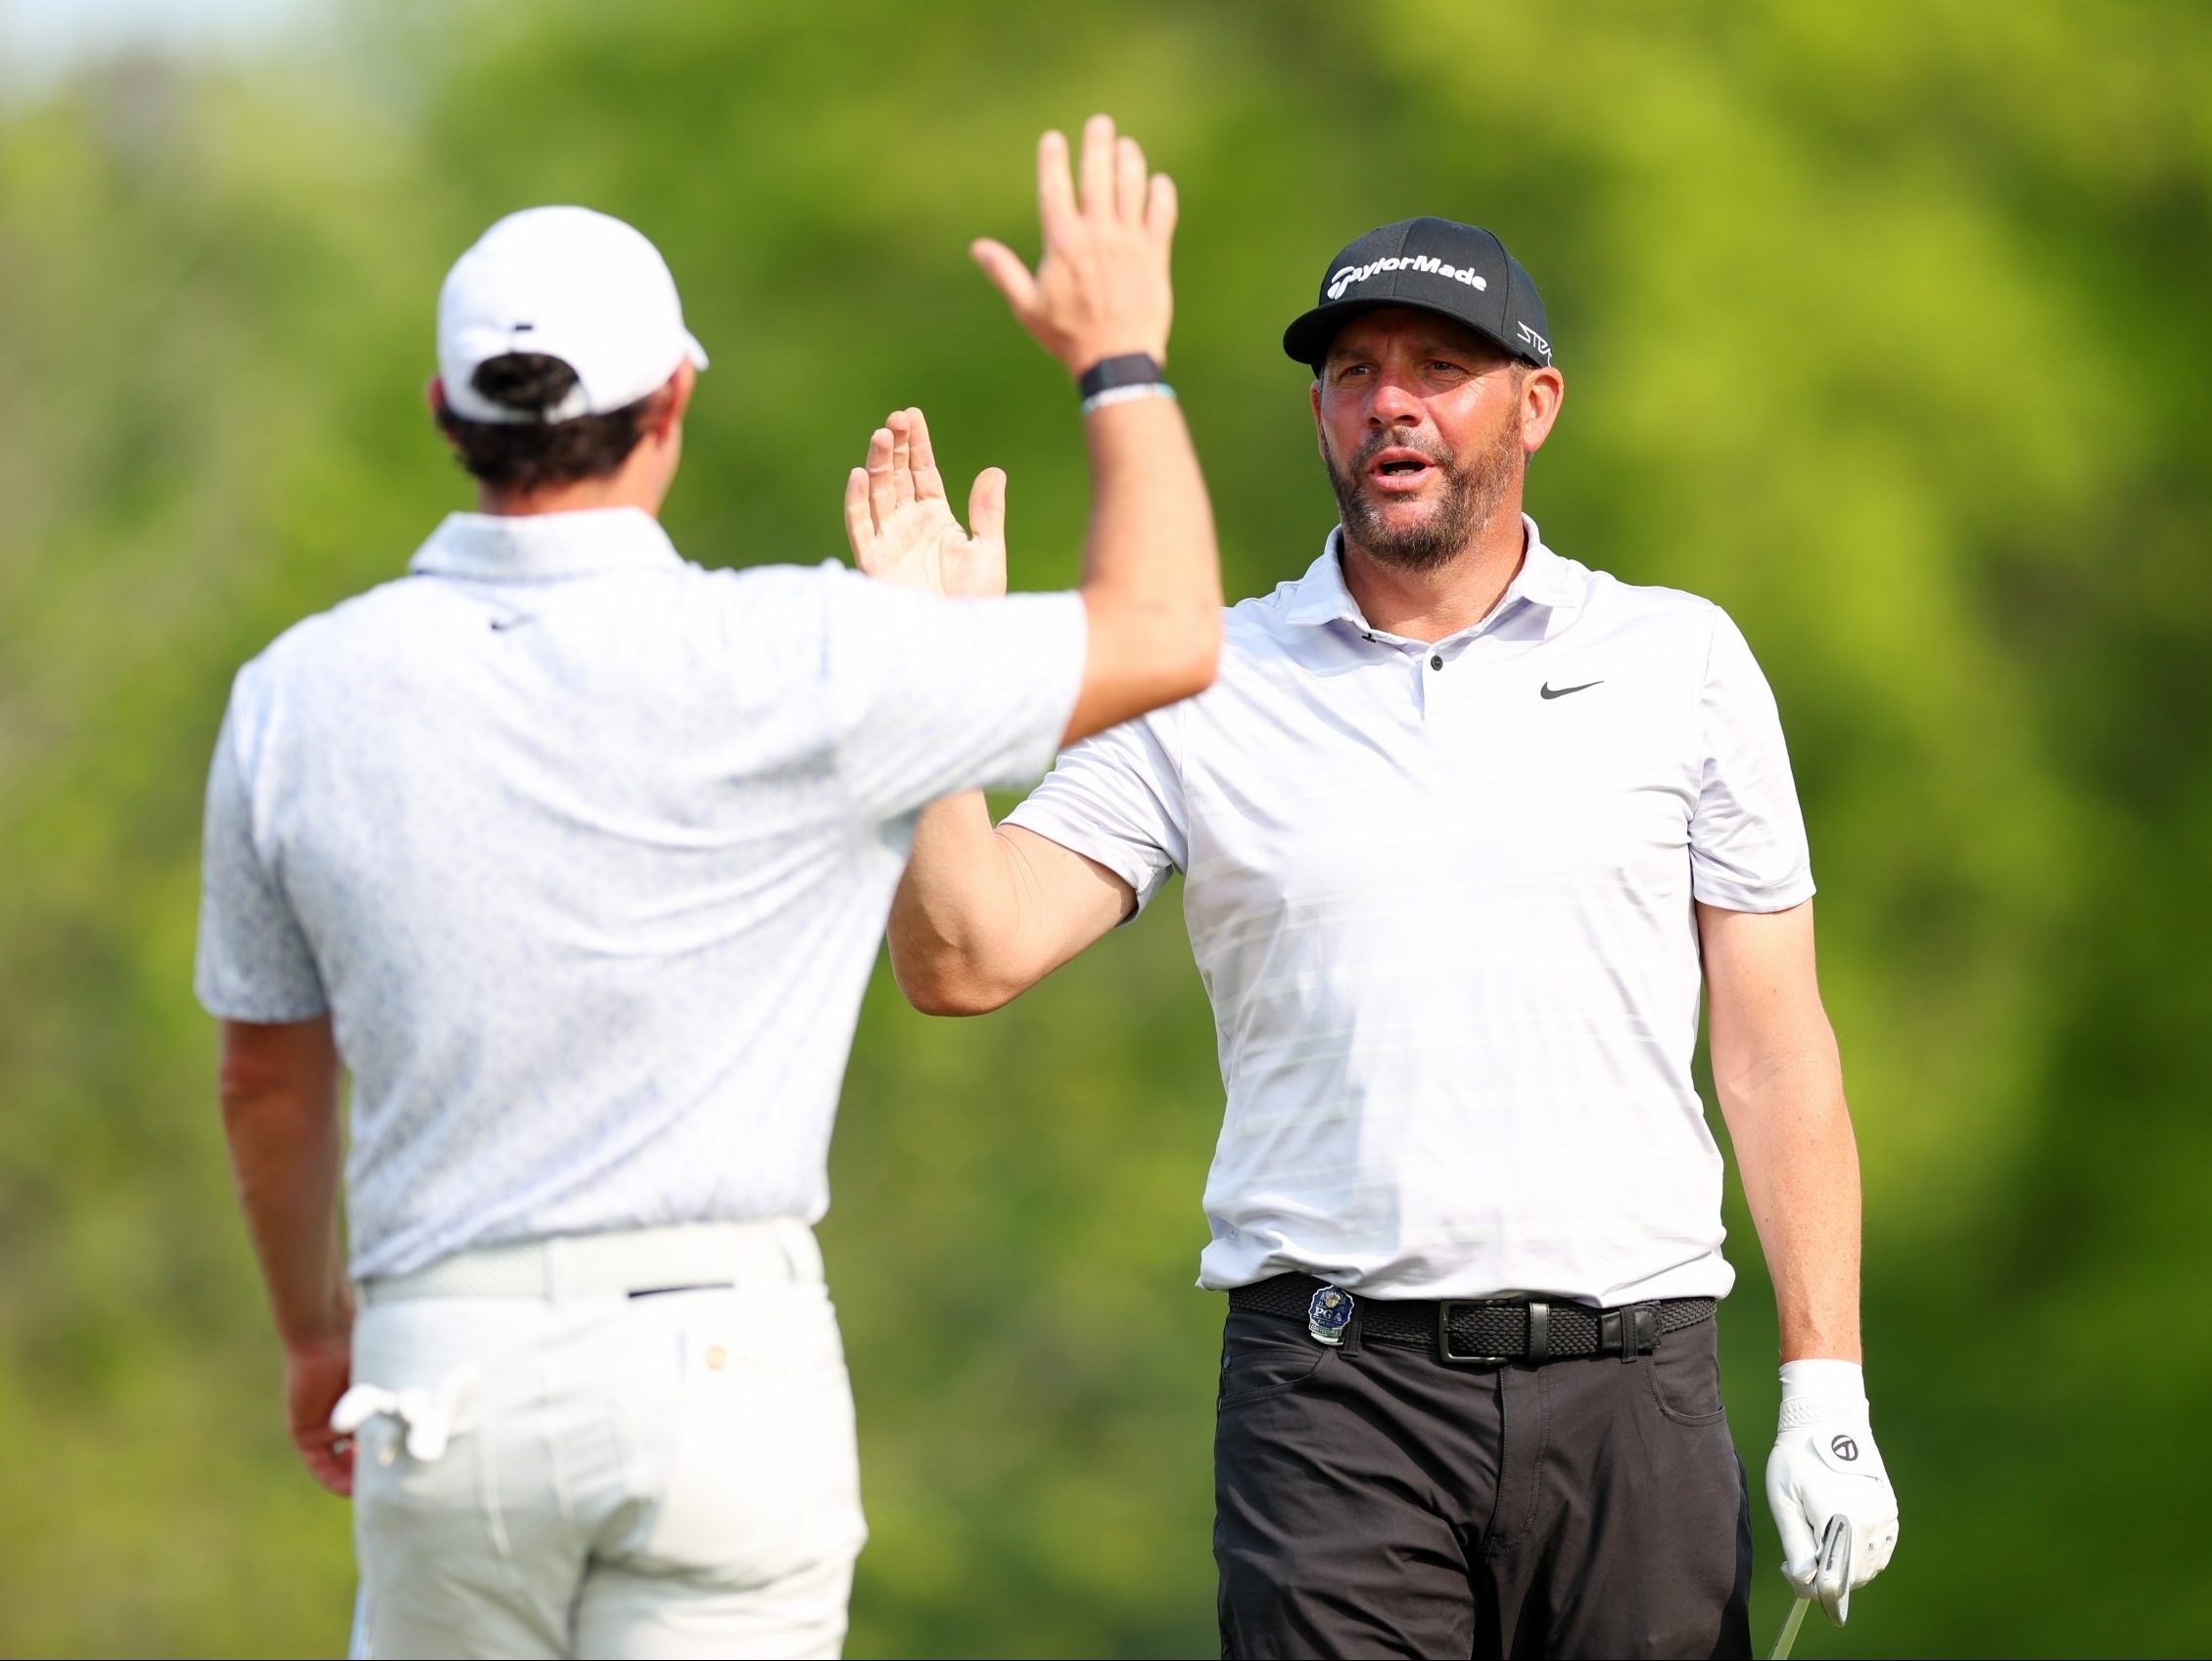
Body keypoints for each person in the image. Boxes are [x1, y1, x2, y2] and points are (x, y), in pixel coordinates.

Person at [196, 116, 1216, 1660]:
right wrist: (1120, 355)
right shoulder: (802, 653)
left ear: (445, 412)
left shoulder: (296, 694)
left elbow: (267, 1082)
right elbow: (1167, 626)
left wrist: (310, 1333)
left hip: (438, 1360)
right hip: (719, 1371)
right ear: (671, 402)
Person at [877, 217, 1901, 1659]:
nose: (1390, 402)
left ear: (1536, 404)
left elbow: (1775, 1048)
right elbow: (965, 958)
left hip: (1634, 1392)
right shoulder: (1204, 681)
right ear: (1319, 415)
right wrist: (932, 693)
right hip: (1334, 1404)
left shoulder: (1681, 663)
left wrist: (1827, 1392)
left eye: (1441, 365)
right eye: (1354, 372)